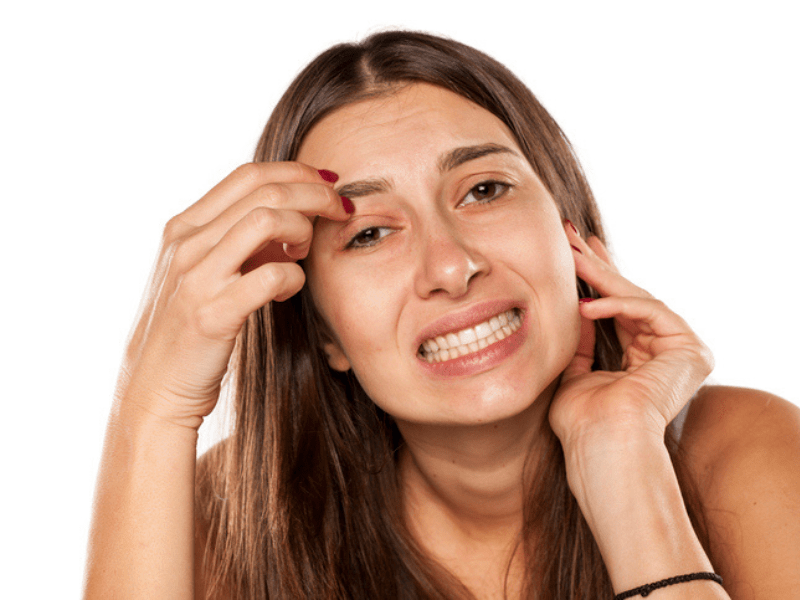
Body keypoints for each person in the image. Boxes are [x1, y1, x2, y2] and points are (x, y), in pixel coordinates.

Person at [83, 31, 800, 599]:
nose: (452, 267)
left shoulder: (741, 452)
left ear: (573, 233)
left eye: (483, 189)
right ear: (325, 333)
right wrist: (153, 404)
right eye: (368, 233)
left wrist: (621, 459)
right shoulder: (234, 516)